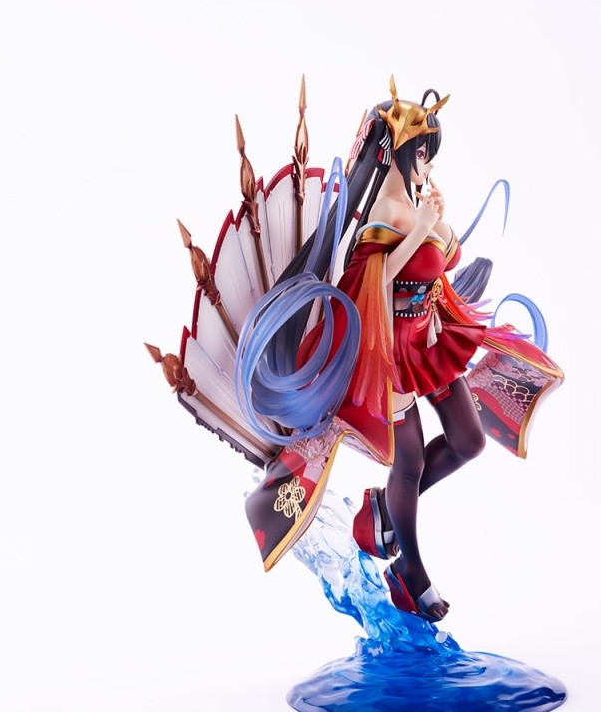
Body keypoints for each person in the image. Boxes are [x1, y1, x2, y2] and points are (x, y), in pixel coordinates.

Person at [240, 78, 563, 622]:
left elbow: (439, 265)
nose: (427, 167)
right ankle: (408, 571)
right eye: (422, 155)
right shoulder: (384, 211)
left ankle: (383, 512)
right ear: (399, 151)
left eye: (431, 157)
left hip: (427, 342)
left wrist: (437, 226)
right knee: (408, 461)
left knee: (469, 440)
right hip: (387, 354)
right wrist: (424, 230)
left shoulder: (412, 203)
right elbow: (371, 280)